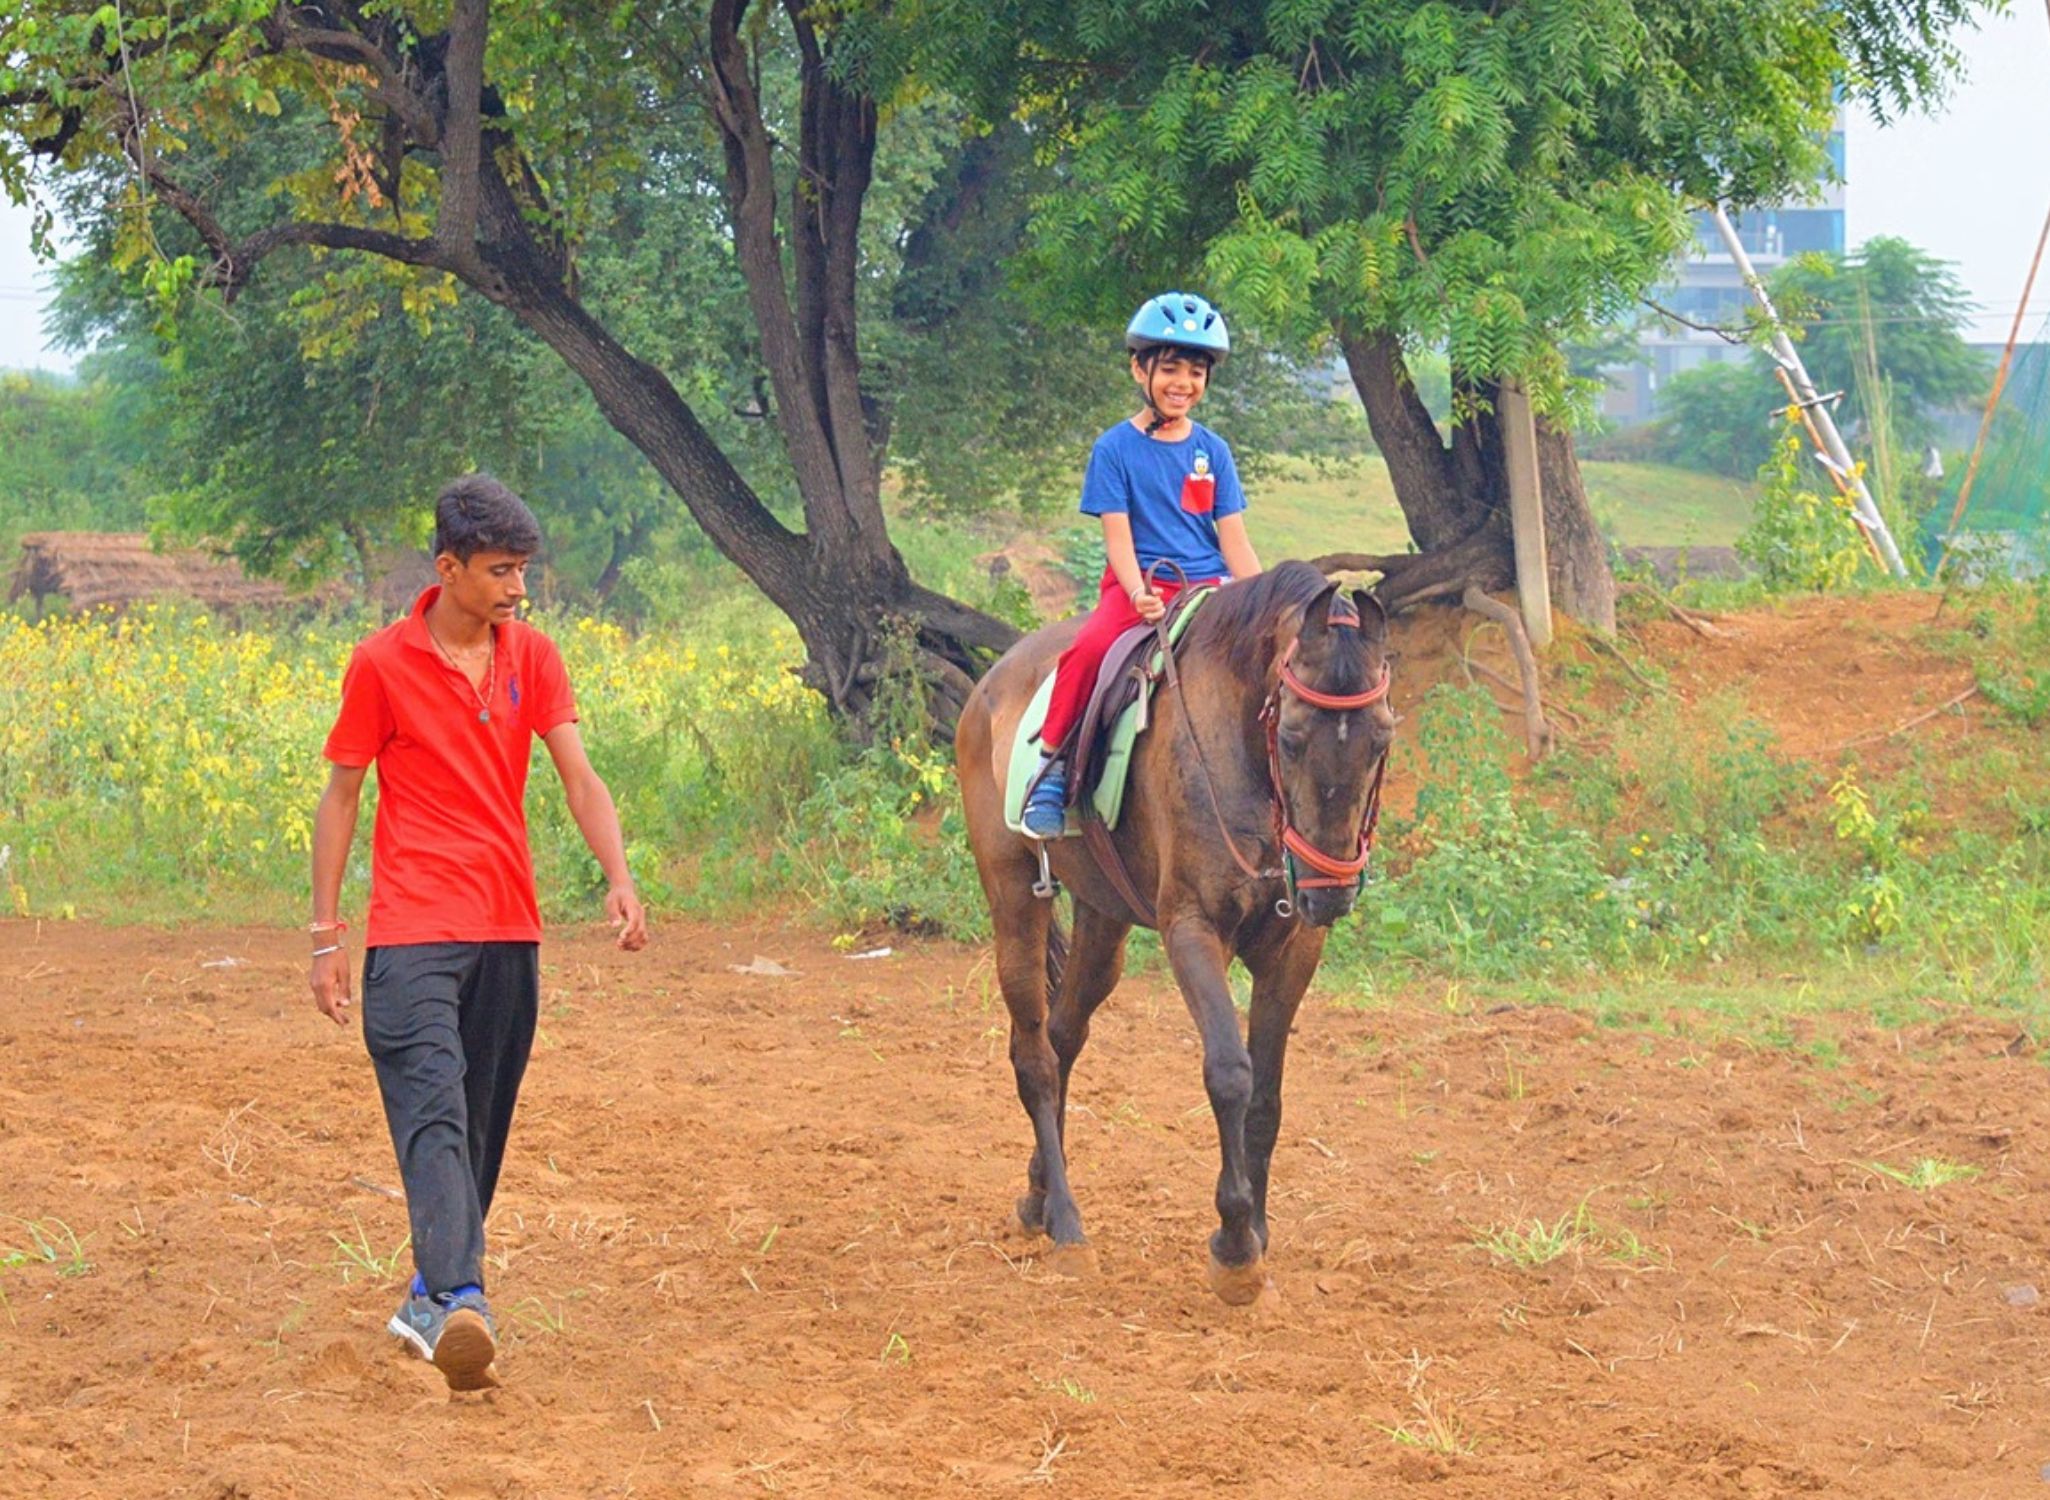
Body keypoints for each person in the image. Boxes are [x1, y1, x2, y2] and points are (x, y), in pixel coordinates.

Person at [306, 474, 649, 1391]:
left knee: (481, 1131)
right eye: (500, 571)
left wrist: (618, 878)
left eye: (523, 571)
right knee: (435, 1111)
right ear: (448, 568)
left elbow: (579, 776)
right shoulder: (379, 664)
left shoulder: (533, 656)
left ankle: (431, 1295)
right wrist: (324, 933)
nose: (517, 588)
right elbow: (341, 797)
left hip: (508, 928)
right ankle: (464, 1295)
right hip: (413, 931)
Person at [1022, 291, 1262, 837]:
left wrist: (1267, 599)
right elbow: (1119, 542)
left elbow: (1236, 544)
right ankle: (1053, 767)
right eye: (1170, 368)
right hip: (1141, 587)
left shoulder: (1214, 452)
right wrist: (1136, 594)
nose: (1184, 383)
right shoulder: (1114, 450)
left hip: (1210, 590)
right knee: (1087, 651)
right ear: (1139, 369)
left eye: (1196, 372)